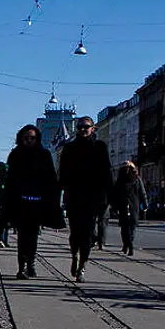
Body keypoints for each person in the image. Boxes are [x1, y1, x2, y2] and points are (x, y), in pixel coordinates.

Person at [57, 116, 112, 282]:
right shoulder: (69, 148)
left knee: (88, 233)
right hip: (74, 196)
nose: (82, 130)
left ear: (92, 129)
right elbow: (62, 172)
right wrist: (62, 192)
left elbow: (107, 173)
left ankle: (82, 265)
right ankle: (74, 255)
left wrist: (107, 197)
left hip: (93, 198)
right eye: (80, 127)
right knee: (75, 232)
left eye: (86, 127)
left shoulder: (100, 147)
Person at [4, 125, 59, 279]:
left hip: (37, 202)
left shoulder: (44, 155)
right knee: (22, 236)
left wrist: (50, 199)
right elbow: (10, 179)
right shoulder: (15, 155)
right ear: (21, 138)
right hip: (20, 202)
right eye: (26, 138)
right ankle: (21, 267)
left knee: (33, 236)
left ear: (37, 138)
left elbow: (50, 179)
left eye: (32, 138)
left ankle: (31, 263)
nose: (29, 141)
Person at [111, 161, 147, 256]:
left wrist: (114, 207)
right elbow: (142, 193)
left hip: (123, 206)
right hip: (134, 206)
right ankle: (130, 243)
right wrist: (145, 205)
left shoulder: (120, 179)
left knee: (124, 228)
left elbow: (115, 194)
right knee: (132, 227)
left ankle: (126, 244)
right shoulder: (137, 179)